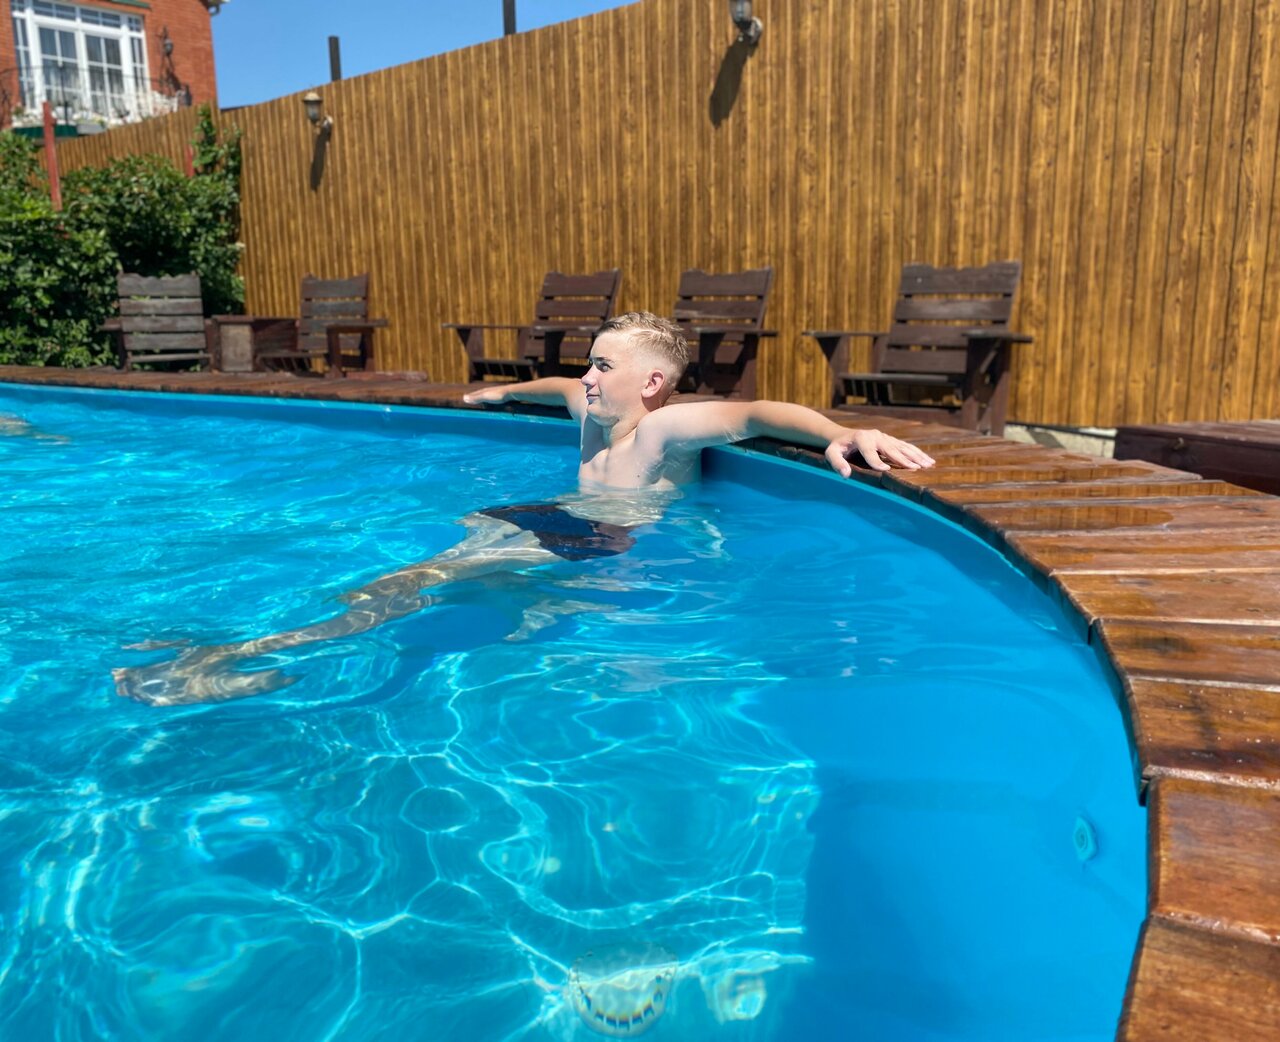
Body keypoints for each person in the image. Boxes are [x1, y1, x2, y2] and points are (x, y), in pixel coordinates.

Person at [114, 312, 933, 706]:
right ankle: (257, 655)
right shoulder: (590, 414)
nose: (586, 376)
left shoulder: (664, 429)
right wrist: (504, 393)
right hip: (553, 520)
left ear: (651, 382)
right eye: (588, 363)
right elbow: (553, 389)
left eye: (602, 365)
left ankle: (235, 662)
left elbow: (753, 414)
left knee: (414, 583)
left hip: (601, 537)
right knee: (432, 582)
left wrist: (840, 431)